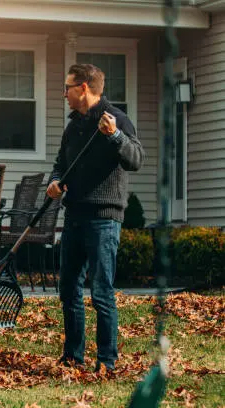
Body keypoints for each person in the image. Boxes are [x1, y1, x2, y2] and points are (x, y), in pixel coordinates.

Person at [47, 64, 144, 372]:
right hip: (74, 214)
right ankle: (73, 357)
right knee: (69, 289)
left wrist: (114, 135)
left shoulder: (116, 119)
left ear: (84, 88)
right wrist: (55, 180)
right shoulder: (73, 125)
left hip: (104, 218)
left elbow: (136, 160)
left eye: (68, 87)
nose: (64, 93)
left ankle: (106, 361)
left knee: (101, 292)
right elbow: (61, 163)